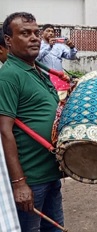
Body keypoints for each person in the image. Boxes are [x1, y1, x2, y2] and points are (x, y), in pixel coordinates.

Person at [0, 12, 64, 231]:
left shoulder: (36, 70)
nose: (35, 38)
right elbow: (4, 131)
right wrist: (19, 184)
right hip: (31, 178)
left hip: (49, 173)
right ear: (8, 40)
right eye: (25, 33)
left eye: (36, 33)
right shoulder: (9, 75)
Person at [0, 134, 21, 232]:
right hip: (31, 180)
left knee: (54, 227)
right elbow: (5, 133)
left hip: (50, 177)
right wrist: (19, 183)